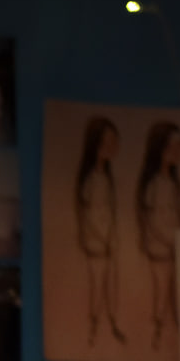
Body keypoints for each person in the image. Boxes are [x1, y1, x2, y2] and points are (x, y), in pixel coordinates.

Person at [135, 121, 180, 349]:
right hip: (161, 248)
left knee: (173, 291)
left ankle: (170, 334)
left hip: (174, 247)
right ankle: (156, 334)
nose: (177, 153)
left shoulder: (172, 182)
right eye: (171, 148)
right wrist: (171, 241)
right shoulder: (154, 184)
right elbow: (153, 222)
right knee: (162, 291)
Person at [75, 117, 125, 347]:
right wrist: (99, 238)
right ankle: (92, 329)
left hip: (108, 241)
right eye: (107, 142)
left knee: (110, 284)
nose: (112, 147)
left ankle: (111, 323)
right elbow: (88, 216)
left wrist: (112, 237)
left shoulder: (107, 177)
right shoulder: (91, 179)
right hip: (96, 242)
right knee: (97, 285)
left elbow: (109, 213)